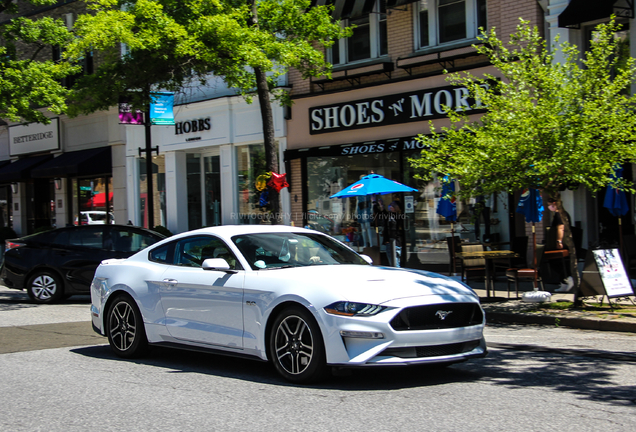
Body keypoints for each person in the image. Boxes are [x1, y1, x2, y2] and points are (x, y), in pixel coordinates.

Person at [547, 198, 574, 292]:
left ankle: (567, 278)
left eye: (549, 204)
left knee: (555, 261)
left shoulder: (559, 214)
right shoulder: (563, 213)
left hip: (562, 243)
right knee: (559, 261)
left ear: (554, 203)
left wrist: (559, 241)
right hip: (565, 242)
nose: (548, 207)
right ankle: (563, 282)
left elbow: (560, 228)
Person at [383, 201, 404, 266]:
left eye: (392, 205)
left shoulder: (393, 218)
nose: (390, 206)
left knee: (394, 264)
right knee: (396, 261)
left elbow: (392, 230)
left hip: (392, 243)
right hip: (396, 243)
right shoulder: (397, 217)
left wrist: (387, 241)